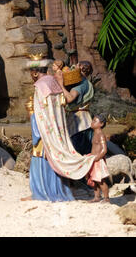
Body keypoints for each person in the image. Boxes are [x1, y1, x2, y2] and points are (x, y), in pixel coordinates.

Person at [21, 60, 74, 202]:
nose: (31, 76)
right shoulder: (53, 81)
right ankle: (58, 190)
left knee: (39, 160)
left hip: (44, 130)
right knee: (53, 158)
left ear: (35, 72)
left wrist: (36, 133)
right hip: (56, 130)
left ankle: (40, 193)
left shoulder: (40, 86)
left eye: (31, 73)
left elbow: (40, 112)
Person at [55, 61, 94, 155]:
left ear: (80, 68)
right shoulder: (84, 82)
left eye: (75, 66)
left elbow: (70, 98)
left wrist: (60, 84)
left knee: (79, 152)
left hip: (80, 124)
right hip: (82, 121)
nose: (73, 68)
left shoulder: (81, 84)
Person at [86, 114, 110, 203]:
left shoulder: (101, 135)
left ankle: (106, 198)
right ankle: (97, 197)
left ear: (101, 124)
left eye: (95, 121)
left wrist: (97, 158)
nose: (92, 123)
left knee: (100, 180)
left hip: (98, 160)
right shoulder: (94, 133)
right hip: (93, 159)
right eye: (92, 120)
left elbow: (104, 150)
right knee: (93, 179)